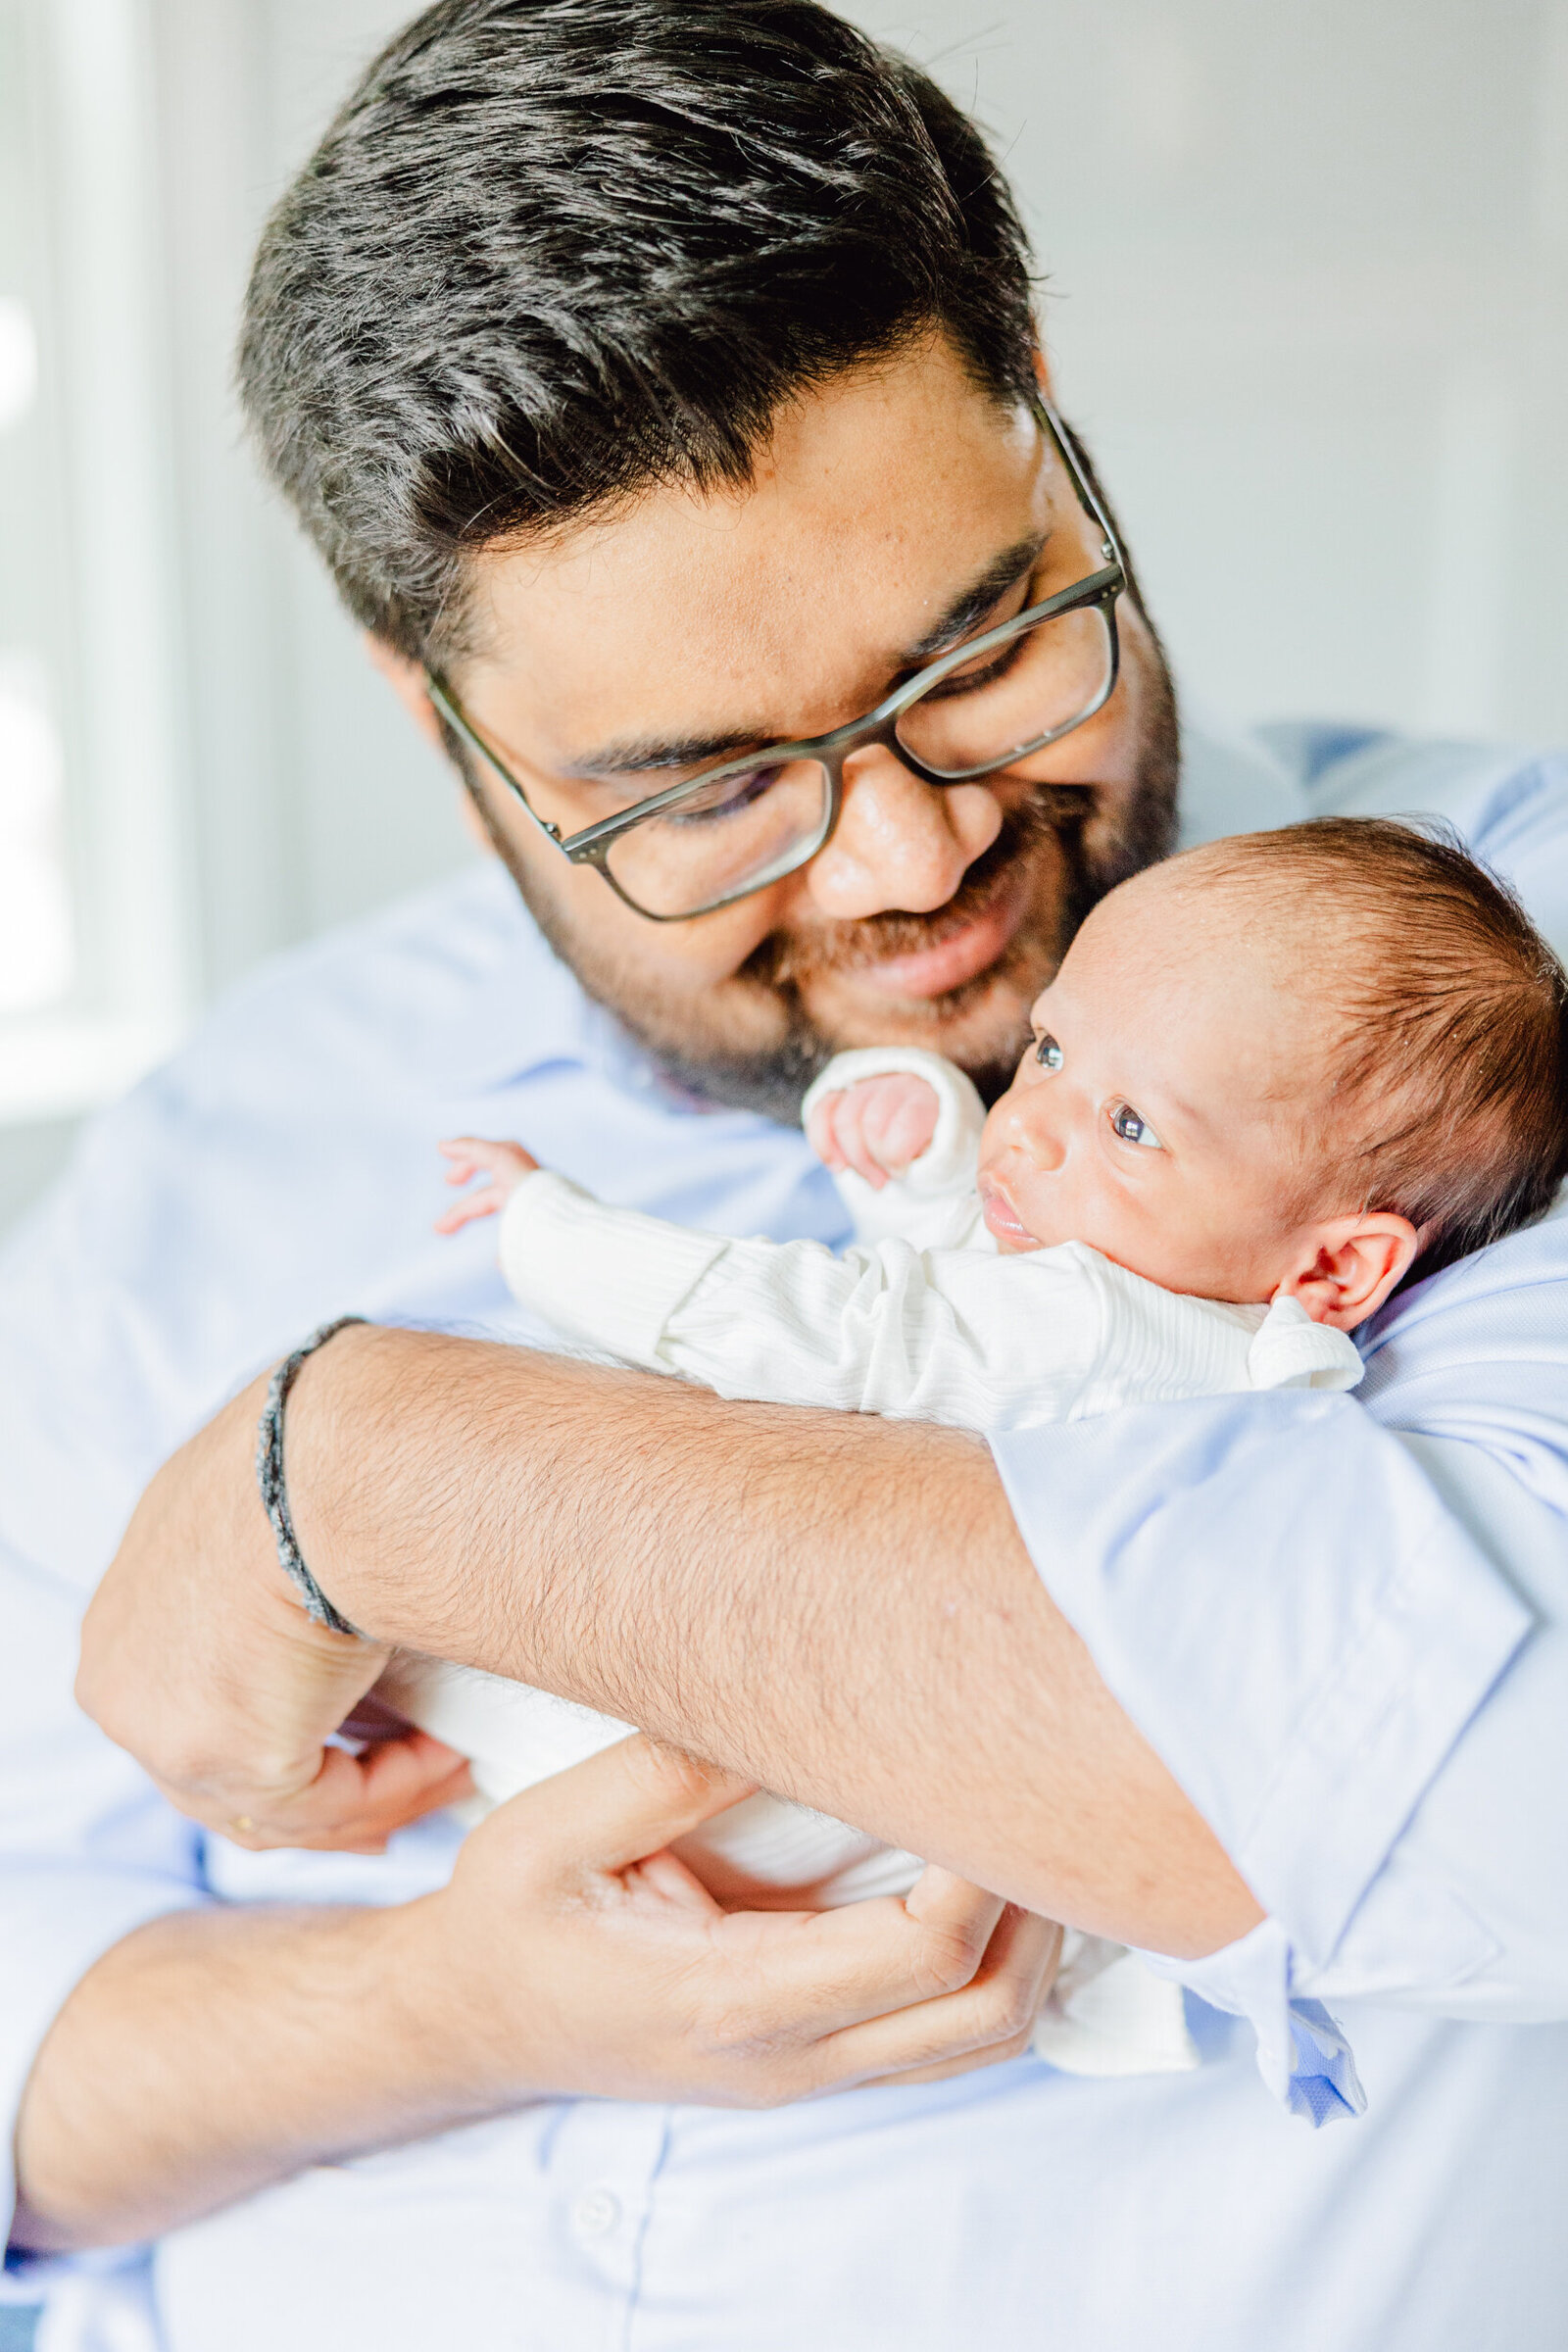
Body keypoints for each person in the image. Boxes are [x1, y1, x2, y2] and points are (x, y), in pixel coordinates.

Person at [6, 4, 1568, 2347]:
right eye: (708, 787)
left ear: (1041, 407)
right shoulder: (233, 1136)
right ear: (443, 734)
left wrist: (391, 1466)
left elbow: (1492, 1805)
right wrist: (446, 2012)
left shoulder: (1503, 985)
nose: (916, 855)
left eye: (979, 651)